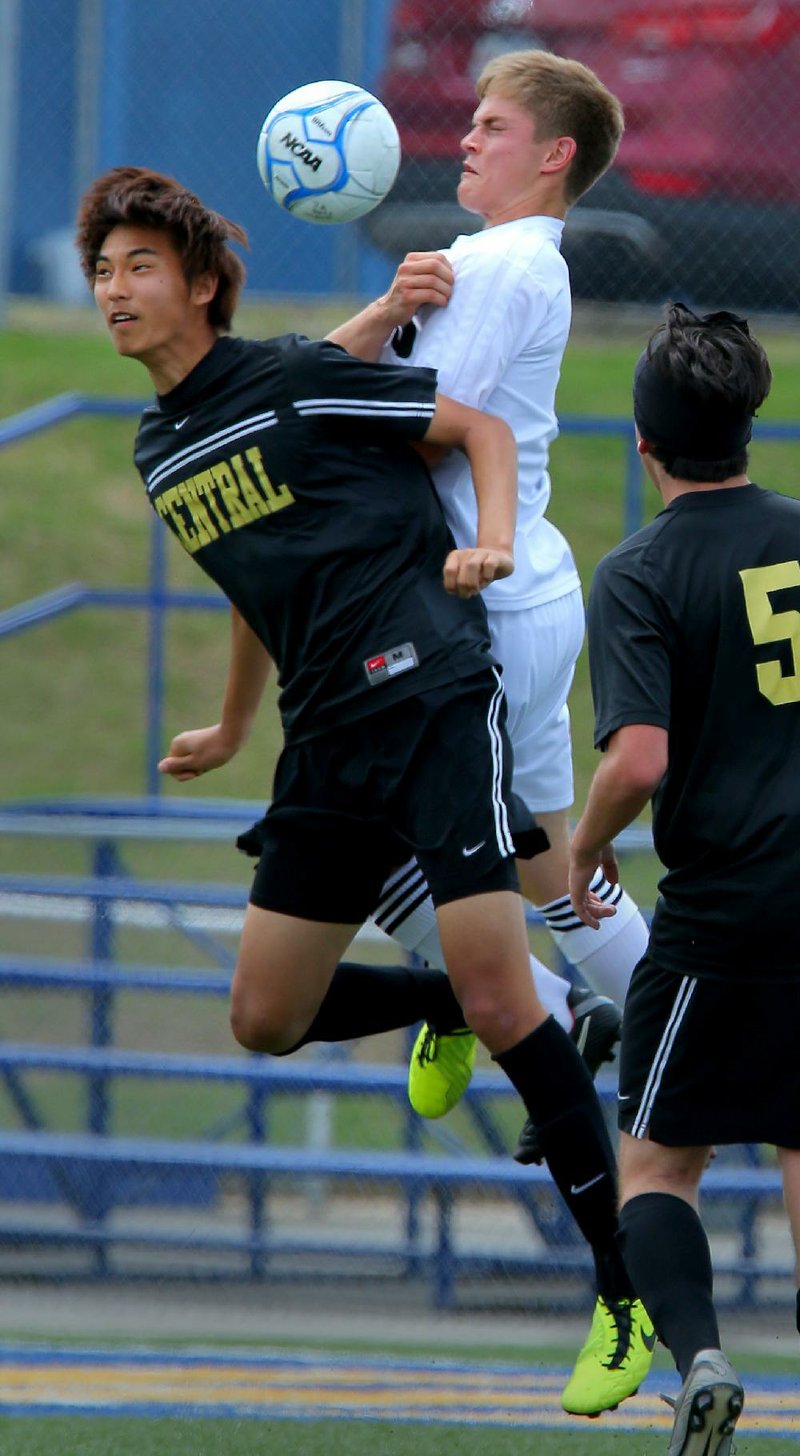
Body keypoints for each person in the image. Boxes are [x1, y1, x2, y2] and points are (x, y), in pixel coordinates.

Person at [76, 165, 654, 1418]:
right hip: (325, 731)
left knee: (512, 999)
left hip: (436, 696)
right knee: (262, 1015)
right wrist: (233, 722)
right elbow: (255, 581)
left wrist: (488, 536)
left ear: (201, 285)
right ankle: (438, 990)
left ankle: (623, 1291)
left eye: (137, 268)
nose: (115, 290)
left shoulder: (292, 374)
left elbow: (478, 431)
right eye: (102, 272)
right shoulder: (159, 441)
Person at [327, 49, 649, 1166]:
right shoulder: (479, 256)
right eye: (468, 120)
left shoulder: (513, 265)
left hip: (484, 601)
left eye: (492, 125)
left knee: (418, 853)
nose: (465, 138)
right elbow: (344, 387)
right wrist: (378, 313)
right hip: (495, 593)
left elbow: (426, 415)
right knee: (544, 868)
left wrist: (333, 390)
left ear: (553, 156)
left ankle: (526, 1013)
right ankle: (636, 1025)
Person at [568, 301, 800, 1453]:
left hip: (724, 912)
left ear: (643, 440)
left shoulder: (641, 569)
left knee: (658, 1159)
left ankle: (700, 1356)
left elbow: (639, 756)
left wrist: (584, 839)